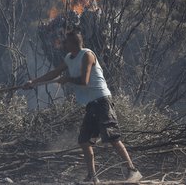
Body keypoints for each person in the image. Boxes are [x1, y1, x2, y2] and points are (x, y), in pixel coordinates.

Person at [24, 30, 142, 184]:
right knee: (84, 140)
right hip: (91, 104)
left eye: (65, 42)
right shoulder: (68, 58)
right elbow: (54, 73)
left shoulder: (87, 55)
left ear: (73, 43)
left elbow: (84, 80)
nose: (63, 44)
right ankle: (92, 177)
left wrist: (67, 79)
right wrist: (33, 82)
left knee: (112, 137)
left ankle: (132, 170)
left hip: (101, 101)